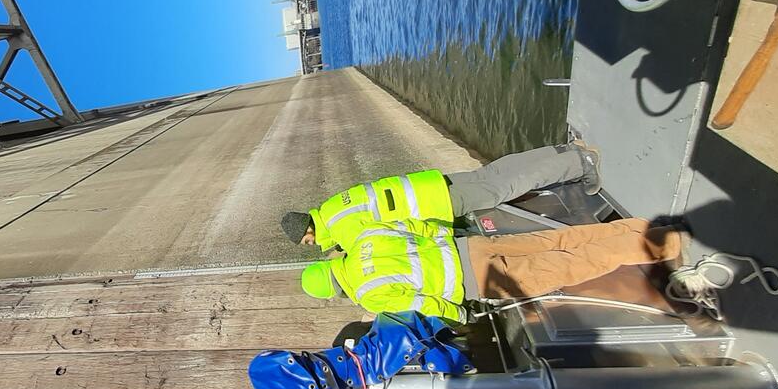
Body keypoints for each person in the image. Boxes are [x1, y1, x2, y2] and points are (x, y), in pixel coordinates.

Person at [299, 217, 681, 321]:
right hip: (471, 246)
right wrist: (447, 236)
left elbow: (424, 304)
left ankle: (665, 242)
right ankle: (635, 227)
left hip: (479, 282)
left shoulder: (369, 294)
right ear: (330, 263)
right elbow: (417, 226)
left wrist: (460, 314)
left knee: (571, 266)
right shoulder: (364, 238)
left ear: (336, 291)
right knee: (556, 240)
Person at [279, 143, 601, 252]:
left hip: (438, 205)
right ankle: (561, 152)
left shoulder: (343, 232)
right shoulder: (334, 208)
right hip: (432, 185)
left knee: (506, 187)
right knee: (496, 173)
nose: (310, 246)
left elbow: (393, 239)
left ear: (308, 231)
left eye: (305, 242)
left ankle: (579, 162)